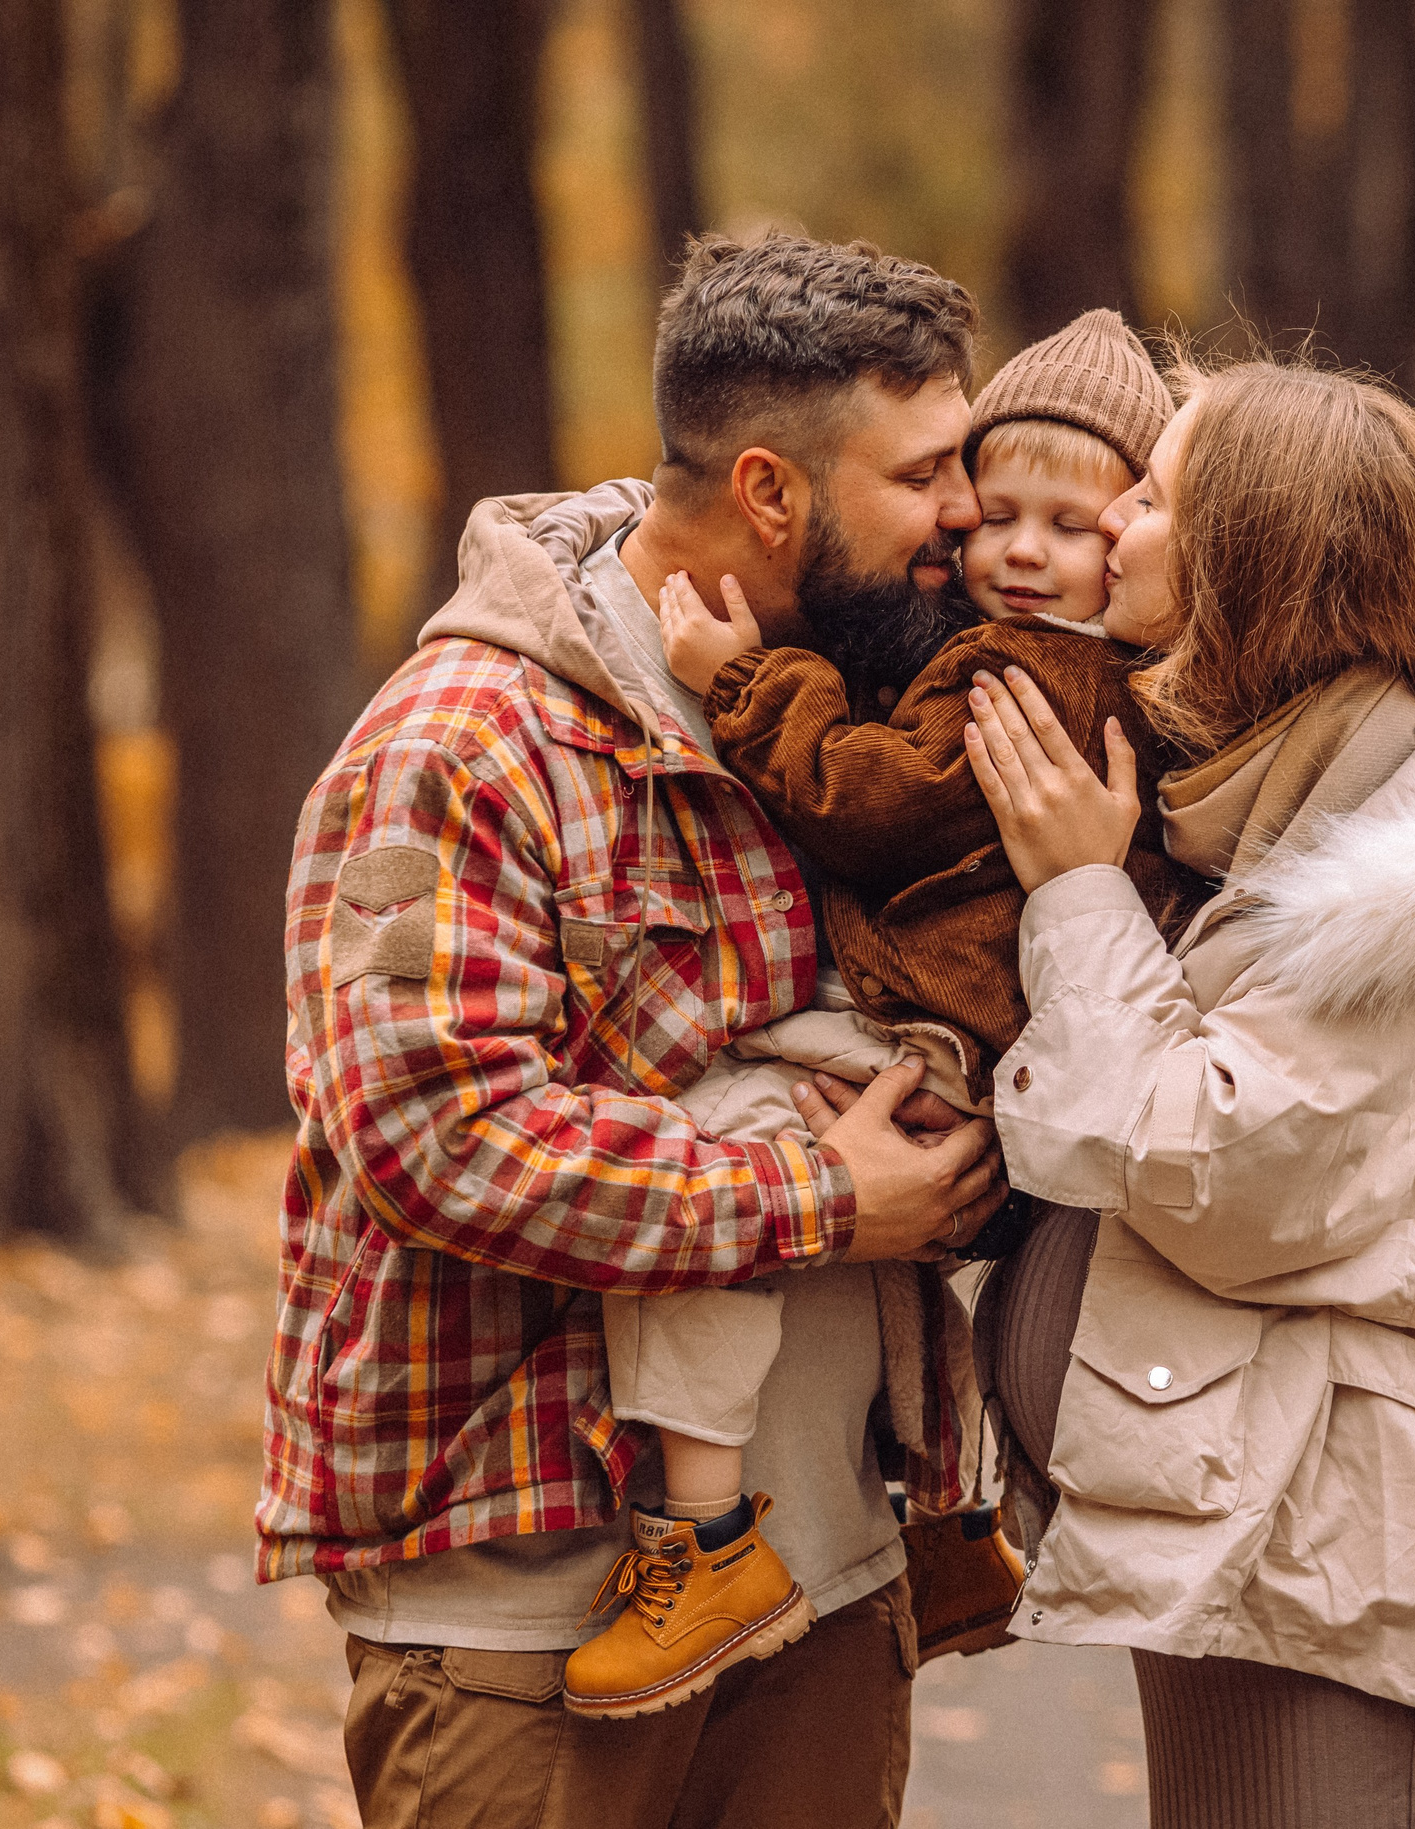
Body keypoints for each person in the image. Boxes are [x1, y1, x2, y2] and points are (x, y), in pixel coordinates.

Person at [262, 232, 1010, 1829]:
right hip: (533, 1615)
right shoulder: (462, 746)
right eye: (929, 472)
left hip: (828, 1584)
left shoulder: (854, 716)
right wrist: (817, 1200)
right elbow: (433, 1134)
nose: (970, 513)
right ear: (770, 493)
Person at [958, 358, 1415, 1828]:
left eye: (1151, 498)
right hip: (1263, 1533)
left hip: (1348, 1569)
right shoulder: (1274, 792)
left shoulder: (1398, 879)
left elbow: (1217, 1170)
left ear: (1243, 568)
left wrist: (1077, 893)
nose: (1110, 527)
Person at [566, 308, 1186, 1717]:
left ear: (1135, 532)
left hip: (937, 1024)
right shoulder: (1108, 670)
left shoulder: (1022, 671)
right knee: (884, 1241)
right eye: (987, 507)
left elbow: (873, 804)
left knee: (725, 1139)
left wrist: (743, 684)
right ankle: (951, 1528)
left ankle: (701, 1537)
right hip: (982, 1031)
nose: (1009, 542)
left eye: (1067, 524)